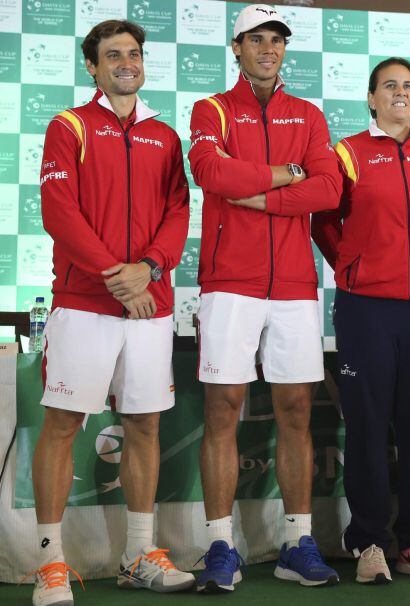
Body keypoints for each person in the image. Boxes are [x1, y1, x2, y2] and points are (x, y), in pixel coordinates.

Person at [32, 19, 192, 606]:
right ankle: (50, 564)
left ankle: (138, 554)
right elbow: (60, 212)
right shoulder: (68, 126)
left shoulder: (165, 136)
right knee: (63, 425)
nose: (127, 62)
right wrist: (118, 279)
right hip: (85, 304)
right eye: (113, 55)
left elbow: (178, 213)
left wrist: (147, 269)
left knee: (145, 424)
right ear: (92, 67)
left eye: (134, 53)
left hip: (150, 304)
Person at [187, 4, 342, 592]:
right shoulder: (212, 110)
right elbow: (210, 172)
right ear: (237, 47)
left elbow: (327, 189)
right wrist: (284, 174)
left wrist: (263, 194)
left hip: (296, 287)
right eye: (256, 39)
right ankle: (220, 544)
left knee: (297, 411)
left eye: (276, 39)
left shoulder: (307, 113)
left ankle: (296, 541)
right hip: (230, 283)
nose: (268, 48)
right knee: (223, 408)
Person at [312, 57, 410, 584]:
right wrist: (355, 269)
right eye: (389, 86)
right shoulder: (346, 153)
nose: (400, 93)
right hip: (366, 309)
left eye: (408, 86)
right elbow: (324, 223)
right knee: (368, 428)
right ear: (371, 98)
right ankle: (369, 541)